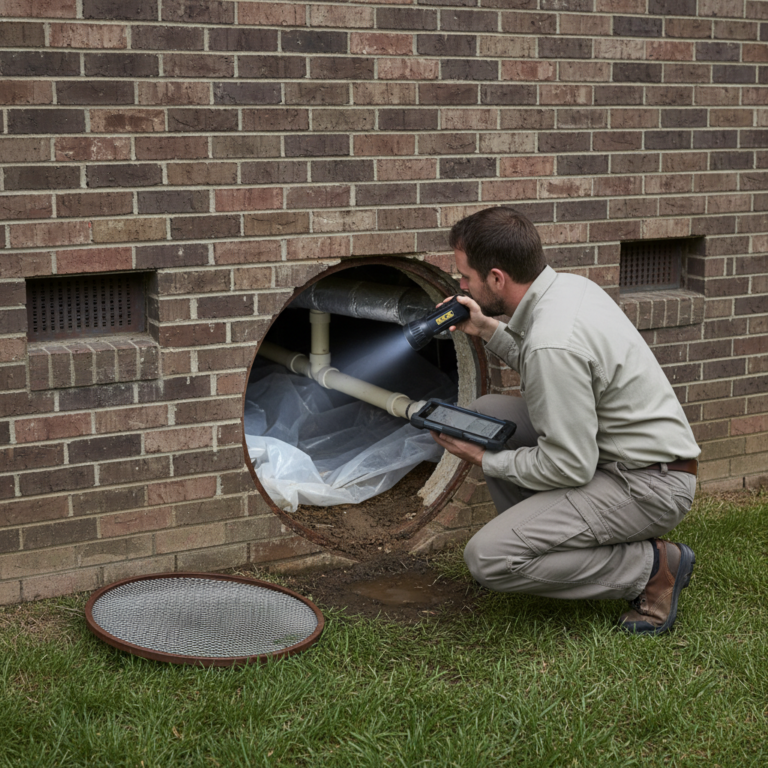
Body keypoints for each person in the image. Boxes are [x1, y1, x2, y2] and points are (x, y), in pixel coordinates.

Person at [430, 206, 700, 635]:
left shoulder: (551, 342)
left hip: (647, 485)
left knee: (487, 557)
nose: (460, 285)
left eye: (465, 277)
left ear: (497, 278)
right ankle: (545, 550)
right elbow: (560, 371)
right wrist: (486, 329)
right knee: (488, 416)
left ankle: (651, 568)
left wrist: (485, 459)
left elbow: (568, 464)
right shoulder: (570, 289)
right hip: (617, 456)